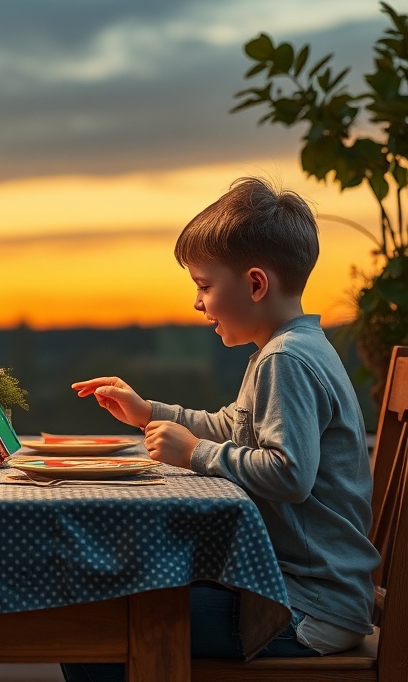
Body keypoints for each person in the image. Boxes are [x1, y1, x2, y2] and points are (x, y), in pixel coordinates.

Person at [64, 177, 381, 682]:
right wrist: (149, 412)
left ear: (255, 284)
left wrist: (195, 453)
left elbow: (289, 473)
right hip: (296, 592)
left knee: (93, 624)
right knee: (119, 600)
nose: (196, 302)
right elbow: (233, 428)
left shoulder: (286, 359)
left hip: (303, 608)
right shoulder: (286, 348)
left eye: (204, 285)